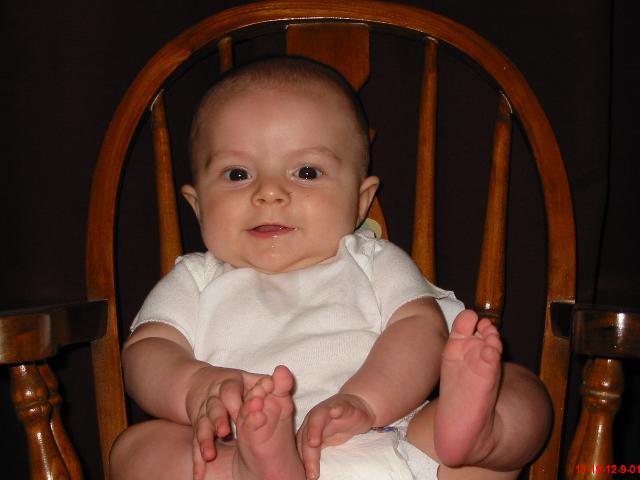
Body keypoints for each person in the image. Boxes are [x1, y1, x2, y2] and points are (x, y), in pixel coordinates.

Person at [110, 57, 552, 480]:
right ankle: (245, 472)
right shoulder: (196, 279)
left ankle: (473, 436)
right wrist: (196, 386)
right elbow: (147, 351)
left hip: (393, 440)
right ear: (197, 205)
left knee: (519, 390)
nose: (269, 192)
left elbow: (419, 329)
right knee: (136, 449)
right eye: (237, 174)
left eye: (306, 172)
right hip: (238, 445)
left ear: (360, 201)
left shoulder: (372, 260)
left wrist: (364, 401)